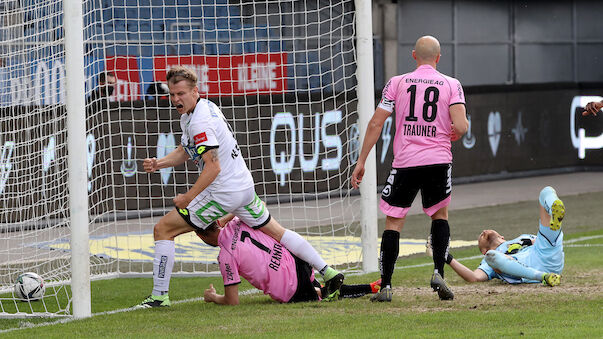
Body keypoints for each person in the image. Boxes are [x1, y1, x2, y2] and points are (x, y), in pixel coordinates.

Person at [137, 66, 343, 308]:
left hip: (224, 192)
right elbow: (185, 150)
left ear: (195, 91)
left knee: (163, 230)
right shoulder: (199, 111)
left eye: (180, 93)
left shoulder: (200, 121)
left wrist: (188, 197)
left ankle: (159, 297)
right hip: (243, 186)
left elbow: (213, 167)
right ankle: (328, 272)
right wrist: (158, 163)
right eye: (172, 94)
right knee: (278, 233)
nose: (176, 100)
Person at [351, 35, 468, 302]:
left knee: (394, 222)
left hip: (406, 161)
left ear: (414, 55)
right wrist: (456, 133)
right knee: (440, 216)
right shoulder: (452, 84)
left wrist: (361, 161)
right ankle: (439, 271)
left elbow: (375, 125)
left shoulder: (398, 82)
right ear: (439, 58)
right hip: (438, 160)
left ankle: (387, 287)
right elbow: (460, 126)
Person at [198, 214, 381, 305]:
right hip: (296, 259)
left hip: (290, 288)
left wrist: (213, 297)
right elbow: (256, 203)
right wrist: (227, 216)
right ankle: (372, 287)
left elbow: (232, 300)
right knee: (324, 291)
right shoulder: (238, 219)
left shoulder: (225, 256)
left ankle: (369, 288)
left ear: (201, 235)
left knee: (321, 295)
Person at [445, 186, 564, 287]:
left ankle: (554, 209)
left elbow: (538, 241)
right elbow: (474, 277)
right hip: (527, 269)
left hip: (545, 253)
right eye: (480, 237)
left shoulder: (523, 237)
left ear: (502, 237)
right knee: (491, 256)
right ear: (483, 250)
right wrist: (447, 258)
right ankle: (543, 276)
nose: (484, 231)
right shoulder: (488, 260)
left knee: (546, 191)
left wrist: (538, 240)